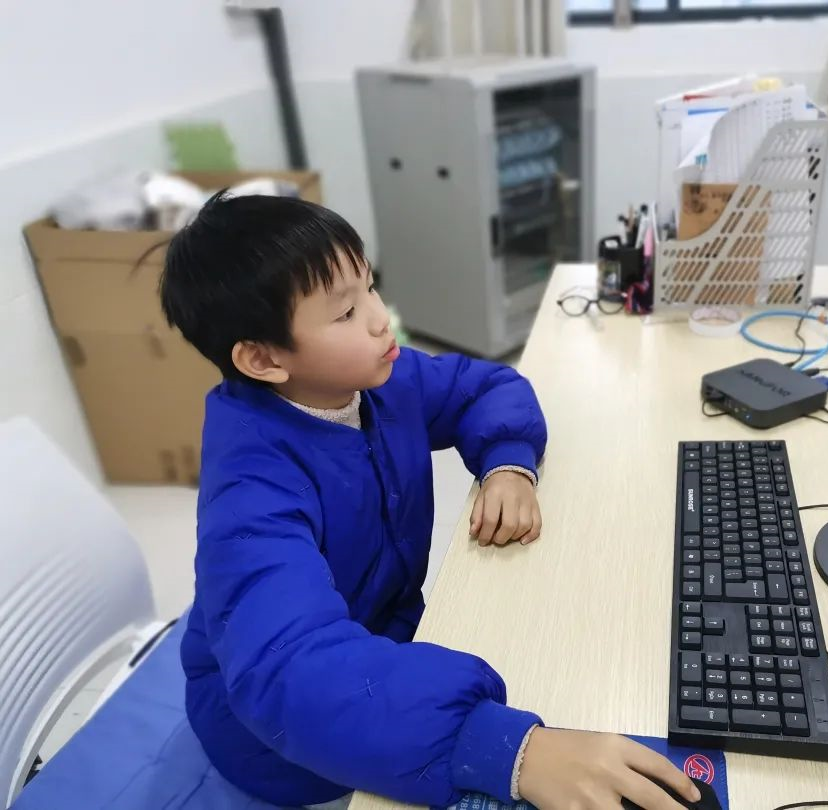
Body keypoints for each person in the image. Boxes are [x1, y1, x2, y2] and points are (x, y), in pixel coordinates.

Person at [160, 193, 700, 810]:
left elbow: (486, 388)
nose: (379, 318)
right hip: (285, 737)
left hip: (386, 643)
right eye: (345, 312)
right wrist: (504, 749)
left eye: (370, 286)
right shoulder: (250, 488)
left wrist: (507, 465)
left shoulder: (370, 381)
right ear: (263, 358)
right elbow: (289, 671)